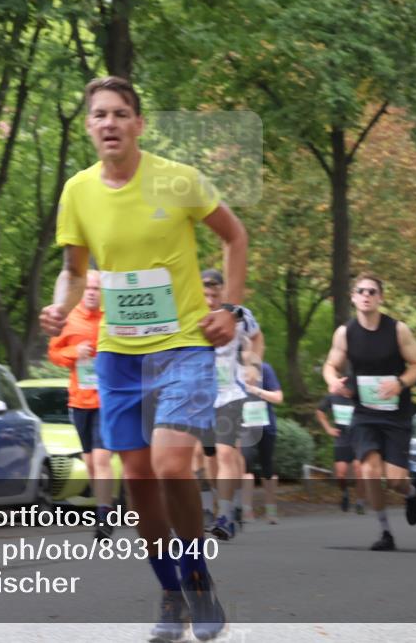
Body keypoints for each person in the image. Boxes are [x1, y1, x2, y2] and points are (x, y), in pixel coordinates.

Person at [40, 76, 246, 641]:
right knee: (138, 479)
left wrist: (231, 308)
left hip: (182, 346)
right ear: (89, 126)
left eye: (119, 113)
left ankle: (197, 578)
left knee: (172, 465)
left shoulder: (177, 180)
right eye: (99, 114)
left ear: (138, 124)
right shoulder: (78, 191)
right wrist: (60, 306)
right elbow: (74, 270)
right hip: (119, 354)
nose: (109, 123)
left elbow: (234, 236)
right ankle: (170, 592)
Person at [322, 273, 416, 551]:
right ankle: (385, 532)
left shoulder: (398, 330)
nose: (366, 295)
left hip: (396, 413)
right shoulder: (345, 332)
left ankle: (411, 493)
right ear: (353, 297)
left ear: (380, 298)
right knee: (369, 470)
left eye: (372, 291)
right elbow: (331, 365)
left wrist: (400, 383)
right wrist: (333, 381)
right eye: (361, 291)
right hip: (364, 412)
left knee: (395, 480)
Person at [47, 269, 115, 541]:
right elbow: (54, 353)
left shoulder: (111, 319)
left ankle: (104, 514)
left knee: (101, 458)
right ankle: (103, 505)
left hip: (106, 399)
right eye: (87, 288)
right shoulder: (69, 319)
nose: (91, 293)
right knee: (90, 461)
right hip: (79, 400)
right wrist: (75, 352)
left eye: (96, 288)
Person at [202, 268, 264, 540]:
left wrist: (253, 365)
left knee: (227, 452)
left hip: (231, 393)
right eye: (205, 295)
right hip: (200, 396)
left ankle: (225, 516)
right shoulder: (190, 312)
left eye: (215, 294)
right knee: (209, 457)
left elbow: (257, 338)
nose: (210, 300)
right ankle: (223, 501)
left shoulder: (238, 314)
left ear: (223, 292)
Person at [240, 357, 282, 524]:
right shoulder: (232, 370)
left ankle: (271, 510)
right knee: (245, 466)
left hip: (266, 425)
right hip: (245, 427)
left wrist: (256, 390)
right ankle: (246, 511)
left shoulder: (265, 369)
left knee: (267, 468)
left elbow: (278, 397)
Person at [315, 388, 365, 514]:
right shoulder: (333, 397)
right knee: (340, 474)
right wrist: (328, 428)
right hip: (341, 439)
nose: (346, 388)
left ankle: (360, 502)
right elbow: (319, 411)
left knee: (359, 470)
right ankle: (345, 493)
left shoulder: (360, 397)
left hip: (359, 439)